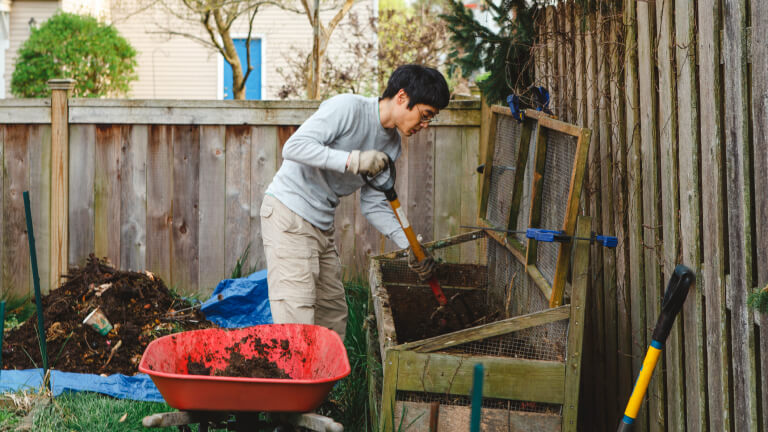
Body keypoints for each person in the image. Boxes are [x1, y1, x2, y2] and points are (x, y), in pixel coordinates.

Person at [260, 64, 450, 340]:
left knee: (332, 317)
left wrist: (410, 245)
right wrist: (353, 160)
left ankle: (326, 383)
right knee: (296, 318)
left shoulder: (391, 146)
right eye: (424, 115)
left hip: (321, 226)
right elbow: (294, 148)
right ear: (401, 97)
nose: (425, 125)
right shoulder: (348, 108)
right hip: (288, 214)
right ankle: (293, 381)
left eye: (430, 119)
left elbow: (373, 204)